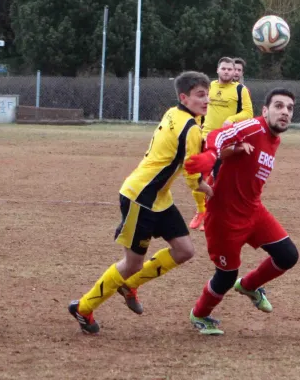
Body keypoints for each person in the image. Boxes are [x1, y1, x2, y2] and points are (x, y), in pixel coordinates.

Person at [68, 71, 214, 334]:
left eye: (207, 94)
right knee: (132, 262)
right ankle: (83, 308)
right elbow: (192, 173)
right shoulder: (190, 127)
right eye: (200, 95)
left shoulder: (176, 113)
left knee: (184, 250)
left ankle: (130, 285)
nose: (206, 100)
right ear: (184, 97)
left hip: (159, 197)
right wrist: (207, 188)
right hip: (140, 197)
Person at [183, 88, 300, 335]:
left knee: (288, 255)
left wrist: (230, 154)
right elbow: (218, 135)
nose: (285, 112)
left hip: (254, 211)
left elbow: (235, 157)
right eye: (279, 106)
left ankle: (249, 286)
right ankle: (200, 314)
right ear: (265, 111)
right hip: (225, 217)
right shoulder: (253, 128)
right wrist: (213, 154)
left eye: (290, 108)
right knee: (225, 276)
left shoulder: (273, 137)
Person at [189, 57, 253, 232]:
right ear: (217, 70)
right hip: (204, 137)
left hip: (225, 140)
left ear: (234, 72)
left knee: (219, 180)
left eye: (230, 69)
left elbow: (248, 113)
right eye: (223, 68)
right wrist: (196, 124)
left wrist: (231, 119)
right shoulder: (209, 87)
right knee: (196, 177)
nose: (226, 71)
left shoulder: (240, 90)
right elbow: (199, 107)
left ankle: (212, 216)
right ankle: (201, 211)